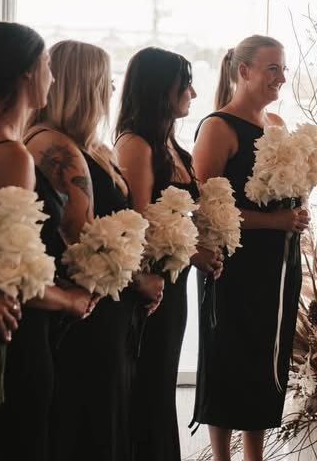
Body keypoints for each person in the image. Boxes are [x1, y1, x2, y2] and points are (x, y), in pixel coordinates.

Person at [26, 39, 156, 460]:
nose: (112, 89)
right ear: (85, 86)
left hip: (104, 307)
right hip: (87, 312)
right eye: (105, 80)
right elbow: (81, 241)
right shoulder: (57, 148)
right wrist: (141, 280)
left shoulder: (77, 145)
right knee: (89, 421)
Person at [0, 22, 94, 461]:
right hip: (13, 339)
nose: (53, 77)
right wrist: (71, 300)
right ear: (27, 73)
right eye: (46, 65)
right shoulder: (10, 155)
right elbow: (18, 276)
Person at [191, 35, 305, 461]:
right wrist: (274, 221)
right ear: (244, 71)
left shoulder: (275, 124)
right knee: (227, 359)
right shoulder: (217, 127)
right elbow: (206, 209)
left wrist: (297, 206)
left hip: (278, 264)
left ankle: (255, 455)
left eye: (283, 68)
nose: (281, 77)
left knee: (265, 359)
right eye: (272, 68)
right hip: (233, 266)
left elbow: (286, 190)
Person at [116, 47, 221, 461]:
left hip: (175, 283)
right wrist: (192, 253)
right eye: (185, 83)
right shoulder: (136, 145)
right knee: (148, 387)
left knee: (161, 385)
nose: (192, 93)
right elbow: (137, 222)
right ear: (161, 89)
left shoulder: (171, 145)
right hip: (150, 286)